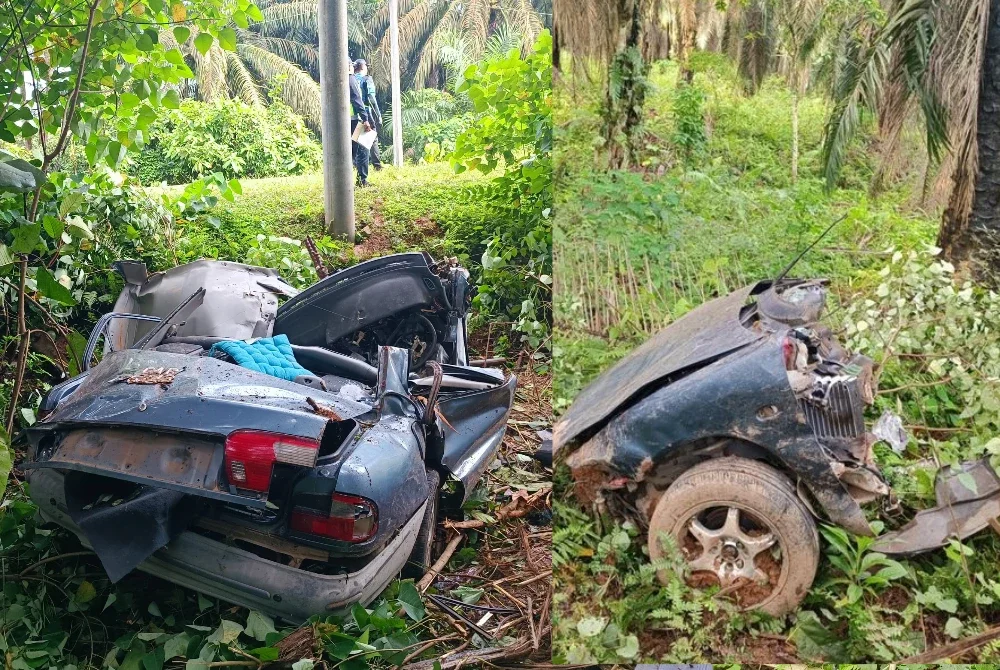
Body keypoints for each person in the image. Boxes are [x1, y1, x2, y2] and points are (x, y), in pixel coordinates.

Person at [354, 59, 383, 171]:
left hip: (354, 113)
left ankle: (356, 165)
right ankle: (377, 165)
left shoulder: (350, 79)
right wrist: (378, 114)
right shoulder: (367, 79)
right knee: (372, 137)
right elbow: (371, 98)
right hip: (366, 112)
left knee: (356, 138)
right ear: (363, 67)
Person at [348, 58, 373, 187]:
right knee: (362, 149)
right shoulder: (350, 79)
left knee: (349, 153)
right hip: (354, 120)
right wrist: (365, 119)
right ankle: (362, 180)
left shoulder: (335, 80)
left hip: (342, 122)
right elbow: (357, 99)